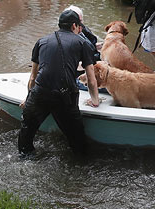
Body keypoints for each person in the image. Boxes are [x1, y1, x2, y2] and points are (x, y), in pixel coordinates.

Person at [18, 9, 101, 156]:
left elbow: (33, 77)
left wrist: (28, 98)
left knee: (26, 134)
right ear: (74, 26)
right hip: (65, 97)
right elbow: (91, 79)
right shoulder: (82, 42)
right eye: (80, 26)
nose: (80, 29)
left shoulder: (42, 41)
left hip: (39, 93)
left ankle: (26, 157)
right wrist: (95, 101)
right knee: (78, 143)